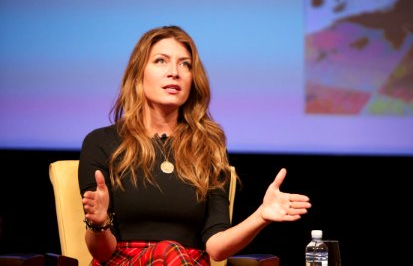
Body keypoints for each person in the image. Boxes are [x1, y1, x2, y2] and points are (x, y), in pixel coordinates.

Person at [78, 25, 312, 265]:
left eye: (185, 64)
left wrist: (260, 216)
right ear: (138, 74)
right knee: (167, 251)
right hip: (123, 260)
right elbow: (103, 252)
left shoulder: (208, 147)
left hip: (186, 261)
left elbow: (217, 248)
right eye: (161, 61)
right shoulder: (101, 143)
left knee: (171, 253)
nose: (174, 72)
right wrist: (98, 224)